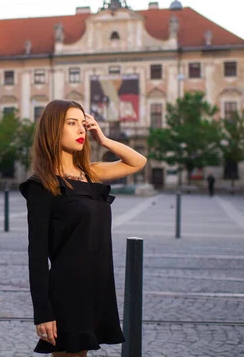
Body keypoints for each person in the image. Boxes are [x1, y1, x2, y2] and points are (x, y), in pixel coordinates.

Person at [19, 100, 147, 356]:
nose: (81, 129)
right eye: (71, 123)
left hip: (96, 286)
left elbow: (138, 162)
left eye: (82, 122)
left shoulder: (91, 174)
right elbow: (36, 255)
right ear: (54, 129)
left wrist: (104, 139)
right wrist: (42, 312)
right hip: (67, 290)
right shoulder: (42, 185)